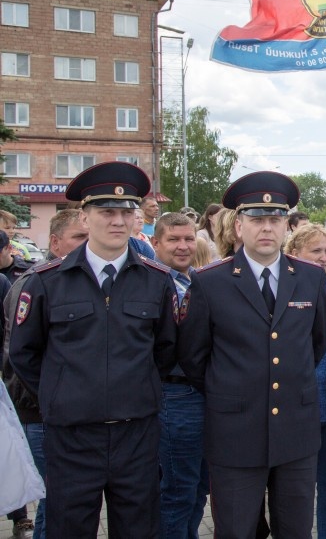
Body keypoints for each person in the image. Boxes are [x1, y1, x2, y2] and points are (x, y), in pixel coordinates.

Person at [8, 162, 178, 537]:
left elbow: (165, 350)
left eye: (125, 212)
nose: (117, 221)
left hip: (136, 433)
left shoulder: (156, 281)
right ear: (85, 217)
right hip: (71, 435)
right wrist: (63, 393)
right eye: (106, 212)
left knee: (137, 528)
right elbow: (24, 354)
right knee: (69, 527)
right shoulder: (45, 283)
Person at [178, 171, 326, 539]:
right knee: (235, 530)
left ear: (285, 226)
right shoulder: (209, 281)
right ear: (238, 227)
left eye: (275, 219)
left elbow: (316, 344)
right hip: (235, 432)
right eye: (257, 219)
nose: (267, 228)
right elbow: (194, 356)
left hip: (296, 430)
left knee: (295, 530)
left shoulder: (310, 278)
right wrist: (232, 390)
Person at [2, 208, 88, 537]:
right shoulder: (33, 282)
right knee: (58, 500)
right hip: (40, 412)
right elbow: (18, 356)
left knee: (61, 501)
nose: (85, 244)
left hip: (67, 412)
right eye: (78, 237)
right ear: (55, 242)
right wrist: (56, 397)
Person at [283, 224, 326, 539]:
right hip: (298, 407)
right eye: (316, 251)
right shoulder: (283, 288)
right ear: (294, 253)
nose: (324, 257)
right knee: (294, 493)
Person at [150, 212, 210, 539]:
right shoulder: (150, 282)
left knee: (200, 486)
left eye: (189, 238)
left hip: (204, 396)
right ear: (156, 242)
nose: (183, 246)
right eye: (174, 239)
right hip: (174, 396)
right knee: (177, 490)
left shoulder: (202, 281)